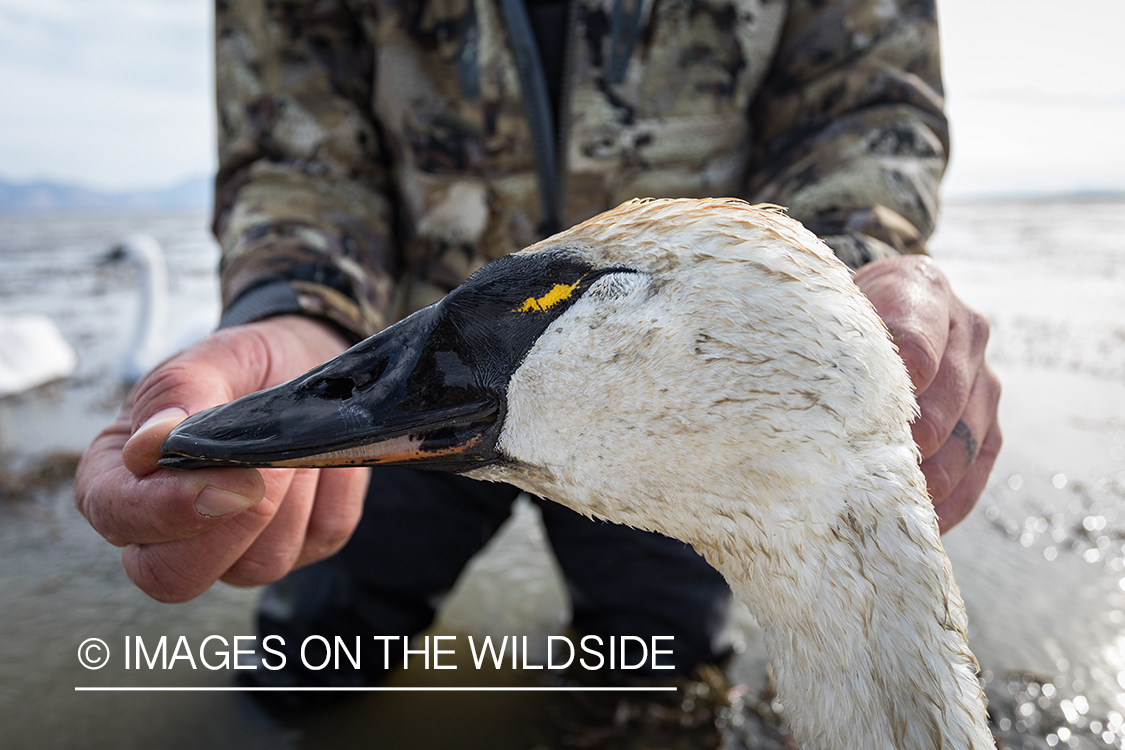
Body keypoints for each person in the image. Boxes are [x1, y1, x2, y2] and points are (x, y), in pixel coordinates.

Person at [75, 0, 1001, 704]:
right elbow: (299, 142)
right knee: (307, 663)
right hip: (411, 377)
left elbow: (861, 105)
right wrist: (301, 312)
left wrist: (833, 309)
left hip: (684, 406)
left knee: (654, 682)